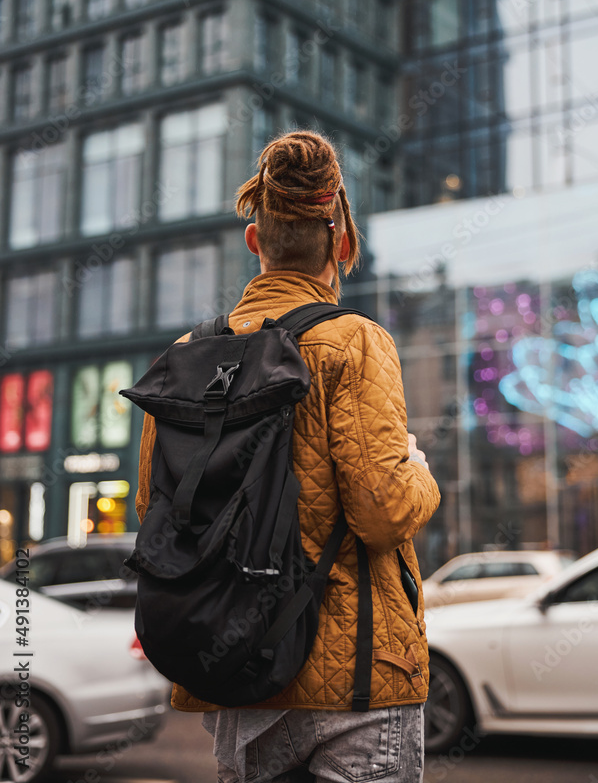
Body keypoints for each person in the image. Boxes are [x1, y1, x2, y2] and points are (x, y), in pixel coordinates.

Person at [135, 130, 441, 783]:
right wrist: (418, 472)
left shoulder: (186, 356)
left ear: (255, 241)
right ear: (341, 243)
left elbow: (154, 515)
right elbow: (383, 512)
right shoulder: (353, 341)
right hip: (355, 682)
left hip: (236, 674)